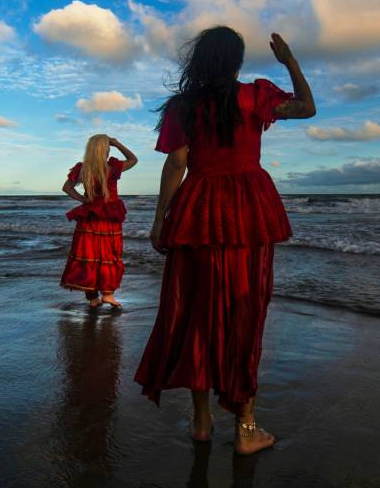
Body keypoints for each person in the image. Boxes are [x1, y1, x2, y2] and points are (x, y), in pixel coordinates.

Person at [134, 28, 316, 455]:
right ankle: (246, 428)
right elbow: (307, 108)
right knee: (244, 315)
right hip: (247, 209)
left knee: (197, 311)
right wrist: (289, 60)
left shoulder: (184, 106)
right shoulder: (255, 95)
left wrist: (159, 219)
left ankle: (202, 421)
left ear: (199, 60)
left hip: (197, 208)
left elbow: (176, 164)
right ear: (236, 61)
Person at [60, 135, 137, 308]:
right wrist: (117, 143)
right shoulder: (112, 167)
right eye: (108, 146)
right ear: (105, 148)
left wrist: (84, 200)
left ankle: (93, 298)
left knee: (89, 255)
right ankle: (108, 295)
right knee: (109, 254)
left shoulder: (84, 169)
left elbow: (66, 188)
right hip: (108, 218)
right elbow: (133, 159)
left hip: (89, 218)